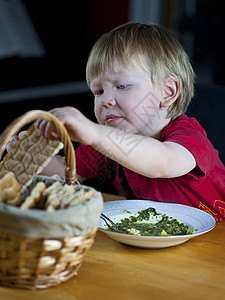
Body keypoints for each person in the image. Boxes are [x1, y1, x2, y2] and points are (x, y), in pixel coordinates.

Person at [9, 22, 225, 221]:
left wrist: (93, 133)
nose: (105, 100)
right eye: (98, 91)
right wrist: (32, 155)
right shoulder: (109, 146)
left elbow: (162, 162)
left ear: (167, 92)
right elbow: (67, 171)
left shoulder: (188, 137)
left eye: (121, 86)